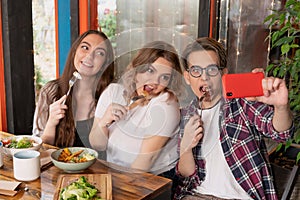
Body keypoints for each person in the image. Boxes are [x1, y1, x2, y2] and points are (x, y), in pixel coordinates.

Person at [174, 37, 294, 200]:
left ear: (223, 73)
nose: (204, 78)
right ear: (187, 77)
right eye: (196, 70)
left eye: (212, 69)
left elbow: (280, 133)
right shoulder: (184, 115)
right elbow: (185, 175)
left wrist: (280, 107)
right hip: (196, 195)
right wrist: (186, 147)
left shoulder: (243, 103)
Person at [89, 40, 182, 178]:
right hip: (117, 174)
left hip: (153, 179)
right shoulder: (113, 92)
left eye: (164, 77)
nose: (155, 82)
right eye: (150, 70)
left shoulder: (166, 103)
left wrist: (117, 188)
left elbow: (145, 161)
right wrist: (103, 122)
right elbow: (98, 145)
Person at [32, 30, 114, 160]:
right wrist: (52, 122)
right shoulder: (50, 91)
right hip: (58, 173)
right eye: (85, 48)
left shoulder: (110, 97)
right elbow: (41, 150)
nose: (89, 56)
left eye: (99, 53)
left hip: (99, 175)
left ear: (105, 62)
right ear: (75, 50)